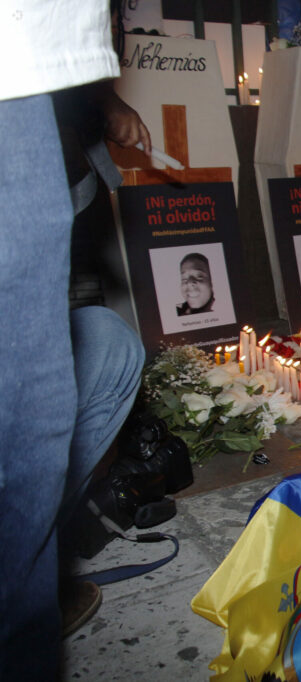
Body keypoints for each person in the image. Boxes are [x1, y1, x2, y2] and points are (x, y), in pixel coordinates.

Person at [0, 1, 151, 676]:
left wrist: (103, 98)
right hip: (16, 81)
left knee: (106, 348)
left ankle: (26, 569)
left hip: (25, 67)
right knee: (28, 404)